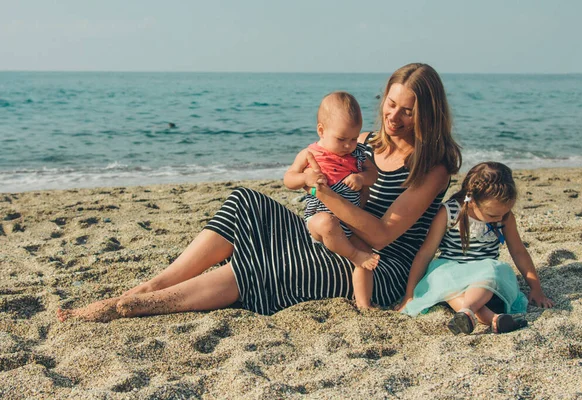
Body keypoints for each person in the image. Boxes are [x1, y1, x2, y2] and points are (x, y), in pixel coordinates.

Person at [56, 63, 462, 322]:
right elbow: (313, 168)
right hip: (334, 231)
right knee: (244, 202)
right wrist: (309, 176)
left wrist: (328, 195)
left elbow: (382, 236)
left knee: (274, 260)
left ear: (427, 113)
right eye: (390, 104)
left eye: (407, 111)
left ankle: (152, 303)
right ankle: (154, 285)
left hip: (376, 267)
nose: (394, 116)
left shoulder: (432, 168)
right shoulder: (365, 142)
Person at [395, 162, 554, 334]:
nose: (499, 218)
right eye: (493, 215)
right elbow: (426, 253)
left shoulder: (504, 217)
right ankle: (492, 319)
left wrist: (536, 288)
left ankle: (467, 311)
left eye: (504, 213)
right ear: (472, 200)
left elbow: (518, 251)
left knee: (491, 272)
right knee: (443, 278)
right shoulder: (449, 212)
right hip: (451, 272)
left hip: (484, 279)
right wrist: (409, 294)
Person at [284, 91, 380, 309]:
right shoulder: (310, 154)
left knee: (369, 258)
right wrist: (305, 177)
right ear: (321, 130)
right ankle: (353, 255)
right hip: (318, 220)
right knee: (329, 224)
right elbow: (289, 179)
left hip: (349, 224)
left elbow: (373, 175)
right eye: (341, 139)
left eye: (354, 139)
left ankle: (364, 304)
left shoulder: (358, 155)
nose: (348, 145)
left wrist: (361, 177)